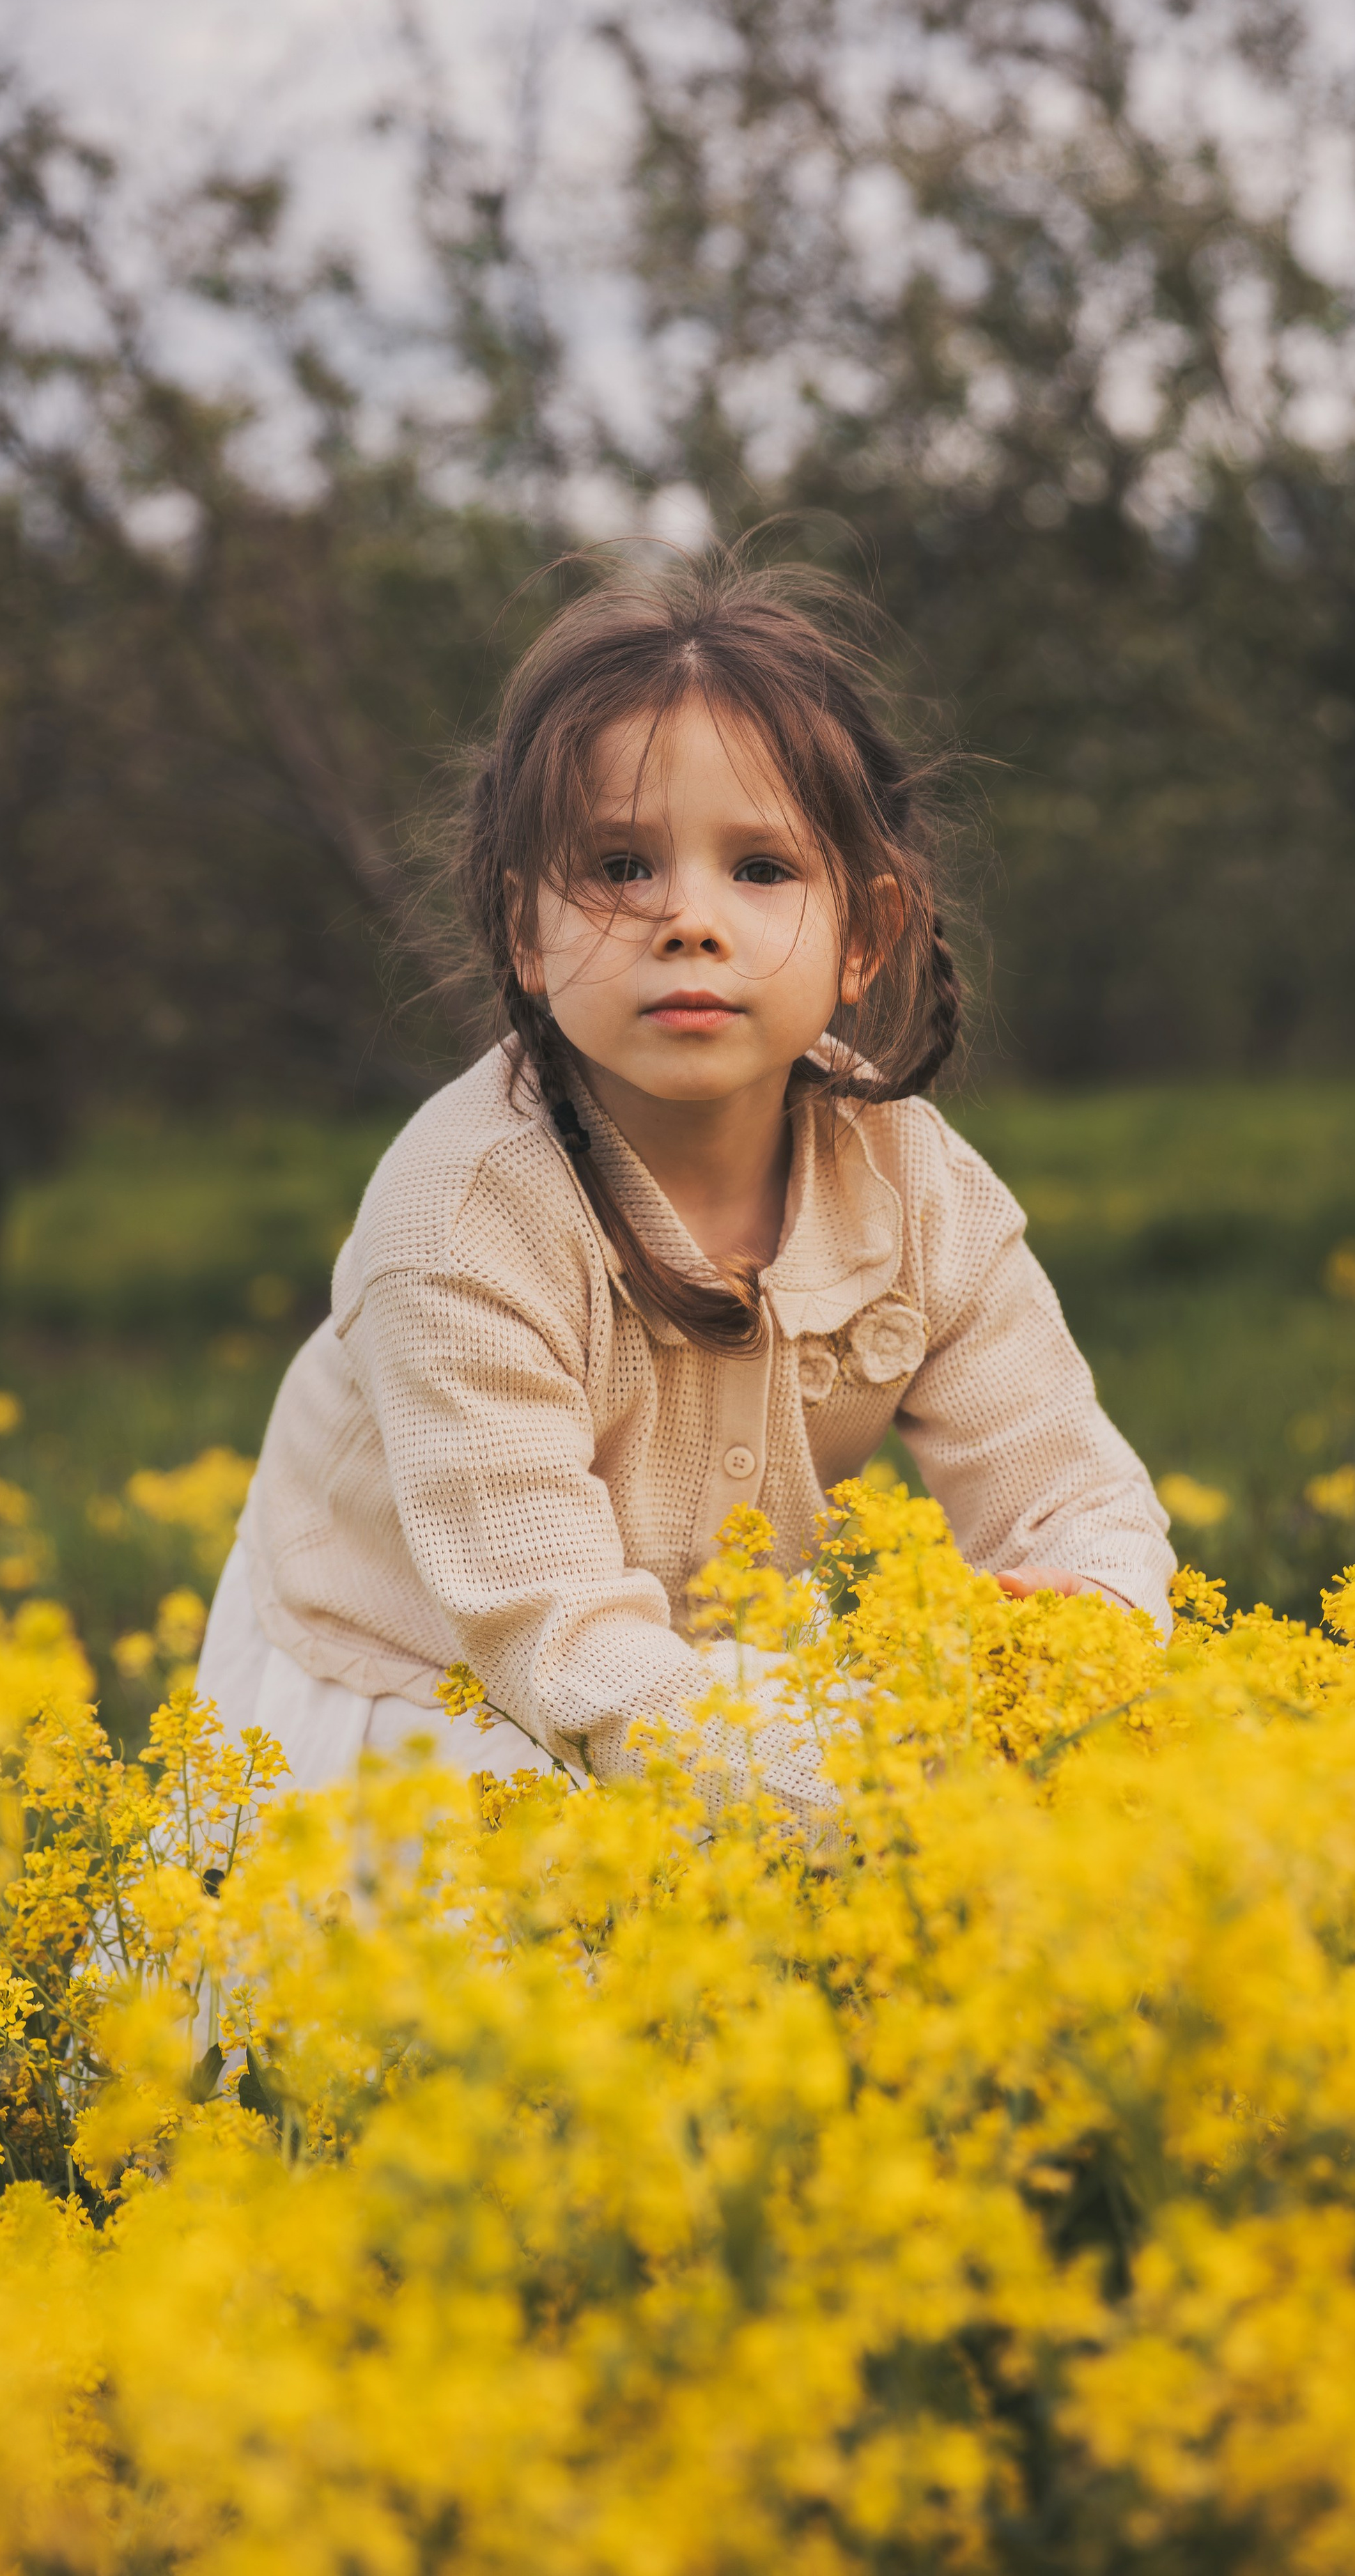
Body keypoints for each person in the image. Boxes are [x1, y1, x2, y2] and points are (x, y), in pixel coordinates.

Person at [197, 555, 1173, 1812]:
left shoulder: (913, 1180)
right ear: (522, 935)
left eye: (760, 869)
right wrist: (883, 1770)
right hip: (425, 1711)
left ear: (864, 936)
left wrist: (1076, 1634)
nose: (688, 920)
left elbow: (1067, 1486)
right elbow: (557, 1647)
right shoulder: (461, 1220)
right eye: (619, 867)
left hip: (712, 1710)